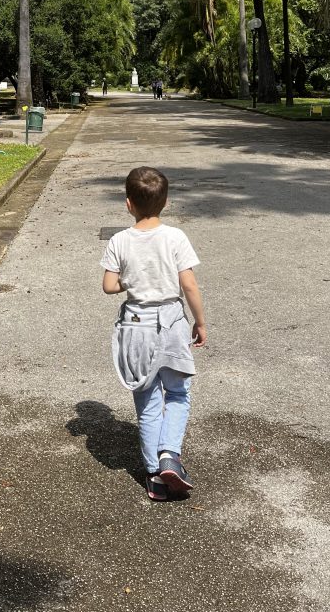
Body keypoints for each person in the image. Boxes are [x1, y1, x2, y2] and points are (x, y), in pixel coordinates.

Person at [101, 166, 207, 501]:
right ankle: (169, 455)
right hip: (172, 322)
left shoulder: (120, 240)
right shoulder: (175, 237)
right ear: (166, 202)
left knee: (147, 401)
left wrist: (130, 279)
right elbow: (188, 284)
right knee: (177, 392)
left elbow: (108, 286)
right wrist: (200, 322)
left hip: (136, 324)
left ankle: (153, 476)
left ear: (128, 204)